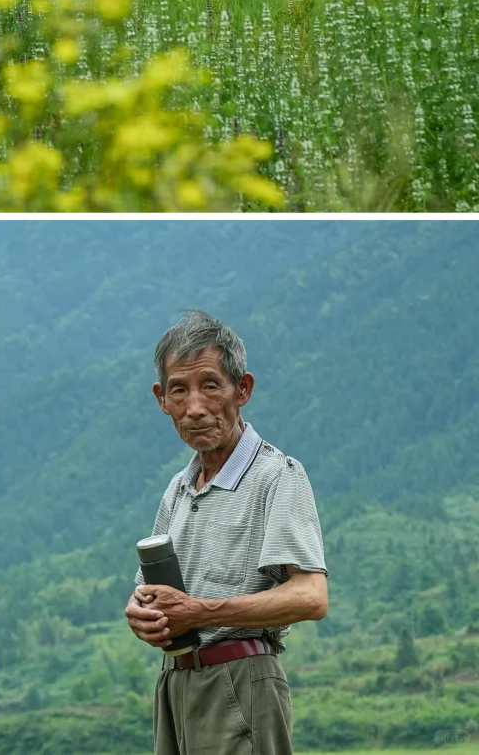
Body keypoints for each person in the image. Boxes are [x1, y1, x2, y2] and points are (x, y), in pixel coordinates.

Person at [126, 310, 328, 755]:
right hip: (176, 684)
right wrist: (141, 611)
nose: (194, 407)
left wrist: (199, 613)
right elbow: (151, 593)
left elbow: (311, 596)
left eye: (210, 385)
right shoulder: (179, 489)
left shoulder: (277, 476)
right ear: (162, 399)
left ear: (243, 389)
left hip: (241, 682)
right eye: (179, 390)